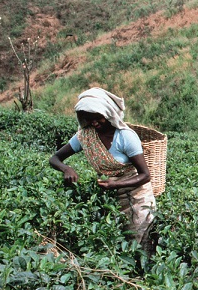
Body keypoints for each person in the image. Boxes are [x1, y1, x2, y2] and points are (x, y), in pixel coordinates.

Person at [49, 88, 156, 252]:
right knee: (117, 244)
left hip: (137, 195)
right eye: (89, 118)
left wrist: (114, 185)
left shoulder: (125, 137)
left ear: (108, 113)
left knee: (141, 242)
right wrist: (66, 169)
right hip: (110, 199)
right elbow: (54, 158)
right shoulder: (85, 136)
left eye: (98, 117)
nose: (94, 122)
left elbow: (145, 175)